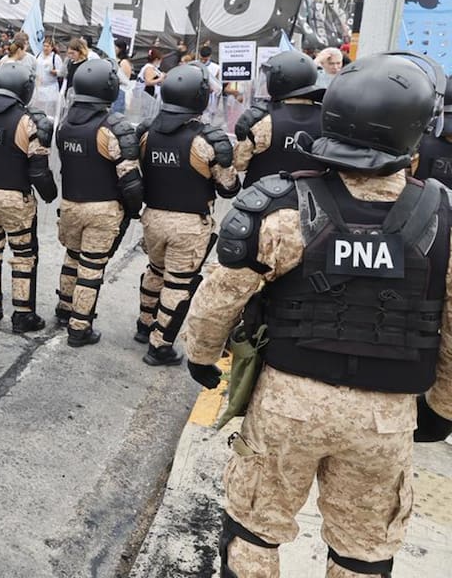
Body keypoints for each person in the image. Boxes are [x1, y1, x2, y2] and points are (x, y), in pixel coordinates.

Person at [184, 53, 452, 577]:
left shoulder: (284, 204)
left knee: (254, 531)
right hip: (386, 418)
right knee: (363, 552)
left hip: (289, 404)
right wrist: (442, 406)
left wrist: (200, 355)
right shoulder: (443, 218)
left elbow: (222, 294)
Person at [135, 64, 239, 364]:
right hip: (189, 223)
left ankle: (144, 325)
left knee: (155, 271)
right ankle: (160, 346)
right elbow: (229, 187)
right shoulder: (206, 140)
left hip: (153, 216)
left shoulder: (145, 132)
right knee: (178, 284)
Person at [55, 60, 143, 346]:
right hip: (102, 207)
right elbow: (129, 179)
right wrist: (133, 208)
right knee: (91, 268)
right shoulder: (112, 127)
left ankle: (64, 307)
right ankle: (79, 328)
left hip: (70, 203)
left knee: (72, 257)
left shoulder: (65, 123)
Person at [0, 62, 57, 331]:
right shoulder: (28, 121)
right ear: (25, 88)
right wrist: (50, 195)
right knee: (23, 255)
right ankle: (22, 315)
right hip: (13, 196)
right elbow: (39, 171)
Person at [234, 51, 325, 184]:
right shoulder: (328, 120)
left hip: (263, 198)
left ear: (279, 80)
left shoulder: (261, 121)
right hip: (314, 198)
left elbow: (239, 163)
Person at [34, 38, 63, 113]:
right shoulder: (38, 56)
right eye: (44, 46)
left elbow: (62, 72)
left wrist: (55, 72)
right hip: (38, 88)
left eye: (47, 46)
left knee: (48, 111)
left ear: (52, 47)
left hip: (50, 89)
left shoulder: (55, 58)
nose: (45, 48)